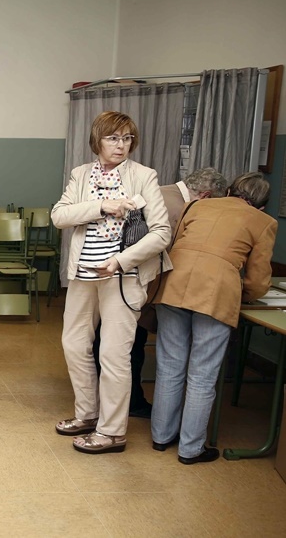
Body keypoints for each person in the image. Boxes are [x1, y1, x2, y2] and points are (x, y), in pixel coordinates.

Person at [51, 110, 171, 454]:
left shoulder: (144, 176)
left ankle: (112, 431)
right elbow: (60, 216)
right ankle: (87, 414)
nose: (121, 145)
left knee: (114, 353)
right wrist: (102, 205)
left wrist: (120, 260)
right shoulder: (81, 174)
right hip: (83, 274)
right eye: (113, 138)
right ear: (97, 140)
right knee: (74, 344)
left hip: (123, 275)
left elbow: (162, 233)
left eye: (127, 138)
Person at [151, 172, 276, 464]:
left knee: (169, 366)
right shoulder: (264, 222)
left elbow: (174, 245)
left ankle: (161, 437)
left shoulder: (196, 206)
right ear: (262, 205)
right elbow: (258, 281)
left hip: (174, 284)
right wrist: (244, 293)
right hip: (216, 293)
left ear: (230, 190)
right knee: (202, 375)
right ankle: (190, 449)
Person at [92, 167, 228, 419]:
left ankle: (107, 397)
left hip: (113, 274)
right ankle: (128, 403)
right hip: (134, 281)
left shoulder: (162, 192)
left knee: (110, 340)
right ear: (206, 196)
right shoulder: (178, 207)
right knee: (129, 347)